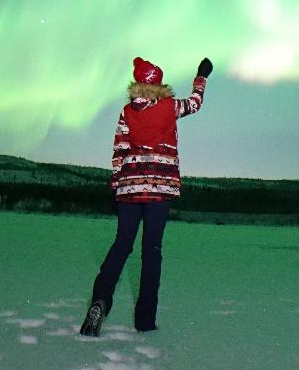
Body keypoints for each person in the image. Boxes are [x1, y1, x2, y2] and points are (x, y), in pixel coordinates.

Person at [79, 55, 213, 336]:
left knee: (121, 246)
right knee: (151, 251)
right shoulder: (169, 107)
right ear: (158, 83)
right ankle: (145, 321)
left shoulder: (127, 112)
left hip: (129, 188)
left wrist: (117, 184)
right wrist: (201, 76)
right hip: (159, 189)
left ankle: (100, 301)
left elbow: (119, 151)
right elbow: (195, 103)